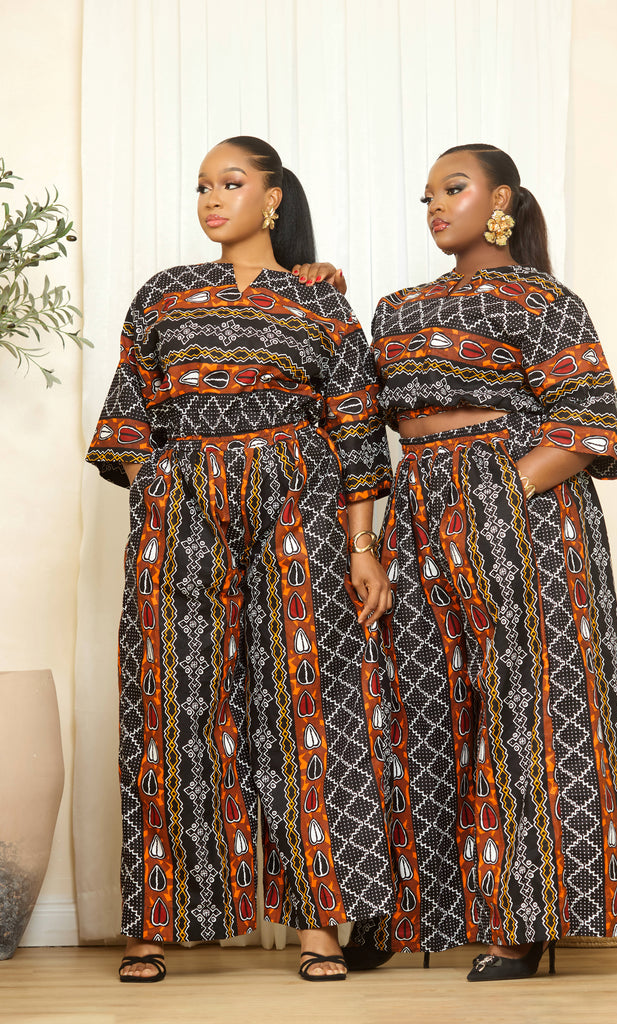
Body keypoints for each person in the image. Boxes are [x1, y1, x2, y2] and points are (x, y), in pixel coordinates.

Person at [298, 143, 617, 980]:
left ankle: (524, 920)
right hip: (417, 505)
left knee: (531, 705)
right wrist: (317, 295)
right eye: (426, 197)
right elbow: (351, 409)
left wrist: (498, 493)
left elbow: (589, 420)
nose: (436, 207)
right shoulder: (397, 307)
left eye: (453, 189)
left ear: (501, 201)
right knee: (407, 698)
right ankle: (406, 910)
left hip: (524, 512)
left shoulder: (544, 300)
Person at [86, 136, 396, 983]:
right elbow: (127, 414)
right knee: (169, 697)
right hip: (183, 499)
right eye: (201, 186)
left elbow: (356, 429)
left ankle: (319, 927)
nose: (211, 199)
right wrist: (160, 485)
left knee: (307, 697)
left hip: (299, 498)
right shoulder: (162, 293)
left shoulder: (320, 299)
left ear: (272, 198)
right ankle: (155, 921)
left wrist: (362, 549)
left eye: (230, 183)